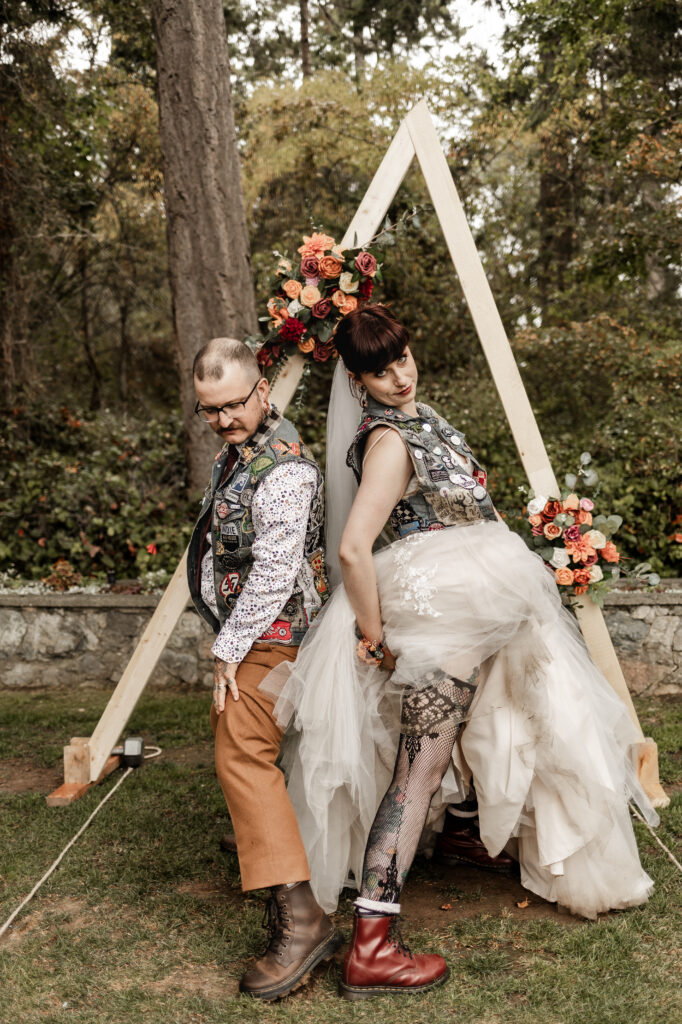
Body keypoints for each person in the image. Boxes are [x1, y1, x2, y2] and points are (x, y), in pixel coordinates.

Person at [261, 305, 658, 1000]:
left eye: (403, 360)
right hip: (443, 604)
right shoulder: (388, 439)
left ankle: (466, 834)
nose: (399, 377)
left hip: (469, 596)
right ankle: (372, 941)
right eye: (380, 372)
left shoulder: (422, 421)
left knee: (496, 714)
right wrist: (374, 633)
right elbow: (356, 546)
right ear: (356, 381)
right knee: (420, 764)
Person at [187, 337, 338, 1001]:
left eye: (233, 405)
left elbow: (277, 570)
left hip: (275, 636)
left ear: (262, 390)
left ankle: (303, 918)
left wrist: (229, 647)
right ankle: (270, 855)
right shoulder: (242, 449)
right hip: (257, 634)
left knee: (243, 754)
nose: (223, 419)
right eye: (209, 410)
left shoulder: (285, 469)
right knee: (249, 755)